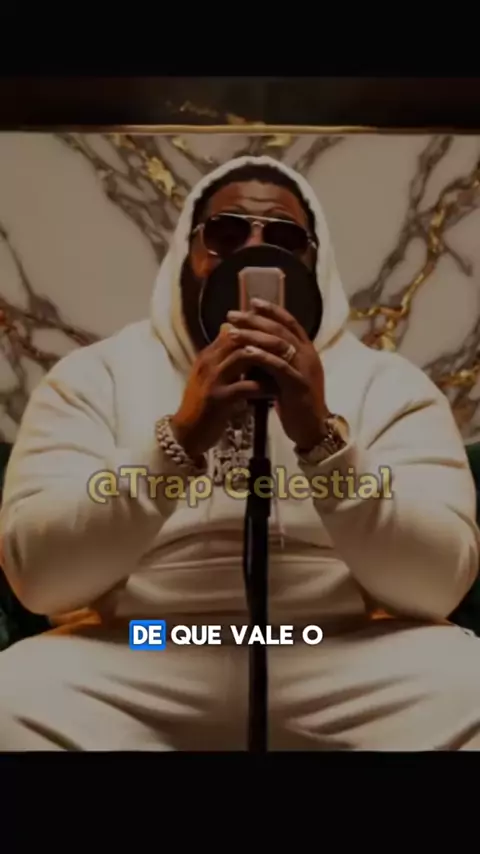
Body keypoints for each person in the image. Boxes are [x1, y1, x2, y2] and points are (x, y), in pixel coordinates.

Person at [0, 154, 479, 750]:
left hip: (328, 639)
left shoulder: (390, 386)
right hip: (148, 640)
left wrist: (322, 438)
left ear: (315, 263)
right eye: (226, 234)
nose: (254, 252)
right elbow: (40, 579)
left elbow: (437, 586)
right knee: (11, 699)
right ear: (186, 254)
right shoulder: (94, 378)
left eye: (283, 238)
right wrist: (180, 438)